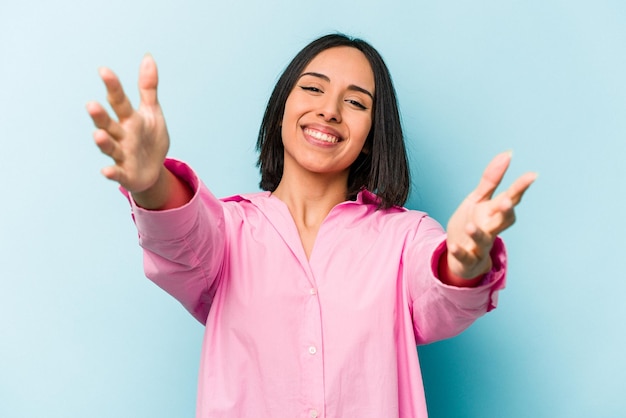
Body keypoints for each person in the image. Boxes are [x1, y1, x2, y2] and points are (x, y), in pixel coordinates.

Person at [86, 34, 535, 418]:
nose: (331, 111)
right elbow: (181, 238)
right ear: (283, 105)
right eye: (313, 89)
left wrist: (465, 257)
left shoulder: (406, 238)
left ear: (372, 134)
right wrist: (151, 182)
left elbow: (439, 295)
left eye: (356, 101)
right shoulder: (230, 231)